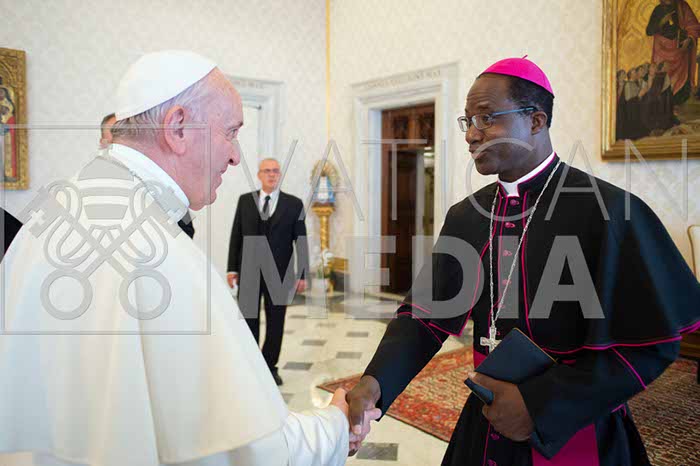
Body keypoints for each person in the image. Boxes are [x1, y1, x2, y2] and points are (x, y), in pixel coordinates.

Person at [0, 50, 379, 466]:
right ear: (178, 127)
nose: (236, 156)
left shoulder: (49, 216)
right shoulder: (163, 255)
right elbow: (253, 452)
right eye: (230, 133)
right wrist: (336, 424)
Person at [346, 57, 700, 465]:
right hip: (485, 423)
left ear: (536, 121)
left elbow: (654, 344)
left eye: (486, 118)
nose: (471, 135)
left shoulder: (610, 211)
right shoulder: (467, 215)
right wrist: (374, 383)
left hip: (576, 426)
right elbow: (426, 317)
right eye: (468, 121)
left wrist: (541, 403)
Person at [227, 157, 309, 386]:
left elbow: (301, 241)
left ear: (279, 174)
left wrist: (303, 274)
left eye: (275, 171)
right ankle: (251, 365)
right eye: (267, 171)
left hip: (280, 275)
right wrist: (232, 268)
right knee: (249, 320)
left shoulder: (294, 204)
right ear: (259, 175)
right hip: (248, 271)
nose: (271, 174)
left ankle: (270, 367)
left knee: (276, 322)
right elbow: (236, 235)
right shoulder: (245, 201)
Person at [646, 0, 700, 106]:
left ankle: (676, 105)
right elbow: (649, 31)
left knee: (681, 93)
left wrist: (689, 39)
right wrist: (662, 22)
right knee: (661, 80)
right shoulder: (658, 10)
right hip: (661, 50)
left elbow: (694, 26)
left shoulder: (682, 7)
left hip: (681, 52)